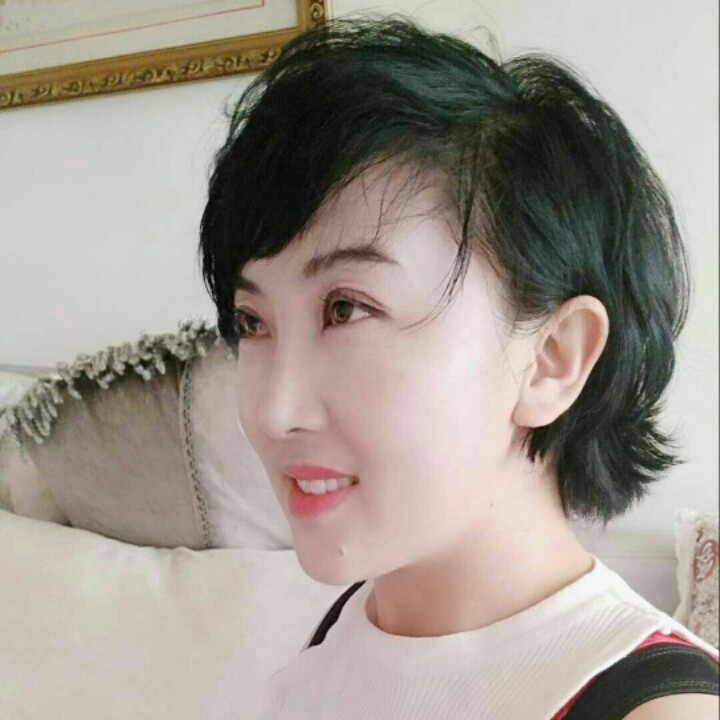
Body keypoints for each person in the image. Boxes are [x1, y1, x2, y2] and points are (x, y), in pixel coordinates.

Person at [198, 14, 719, 719]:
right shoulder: (350, 629)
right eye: (253, 322)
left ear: (552, 359)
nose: (272, 412)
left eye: (346, 309)